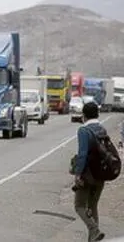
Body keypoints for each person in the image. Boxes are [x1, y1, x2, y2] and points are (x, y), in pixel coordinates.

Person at [73, 101, 106, 242]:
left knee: (79, 205)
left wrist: (78, 174)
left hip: (87, 175)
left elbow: (82, 154)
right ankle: (93, 238)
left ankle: (94, 230)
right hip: (101, 174)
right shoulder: (102, 128)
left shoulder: (84, 130)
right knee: (93, 206)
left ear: (84, 115)